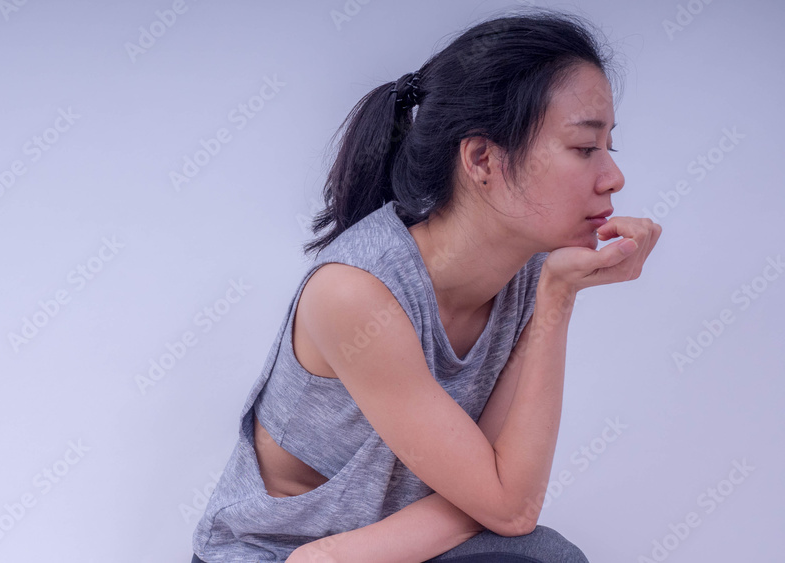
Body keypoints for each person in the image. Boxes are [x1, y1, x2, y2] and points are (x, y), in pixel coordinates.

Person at [191, 7, 661, 562]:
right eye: (584, 148)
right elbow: (509, 506)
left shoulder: (533, 270)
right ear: (482, 159)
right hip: (275, 554)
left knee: (544, 555)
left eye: (610, 147)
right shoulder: (355, 293)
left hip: (394, 545)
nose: (614, 177)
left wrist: (557, 297)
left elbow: (507, 496)